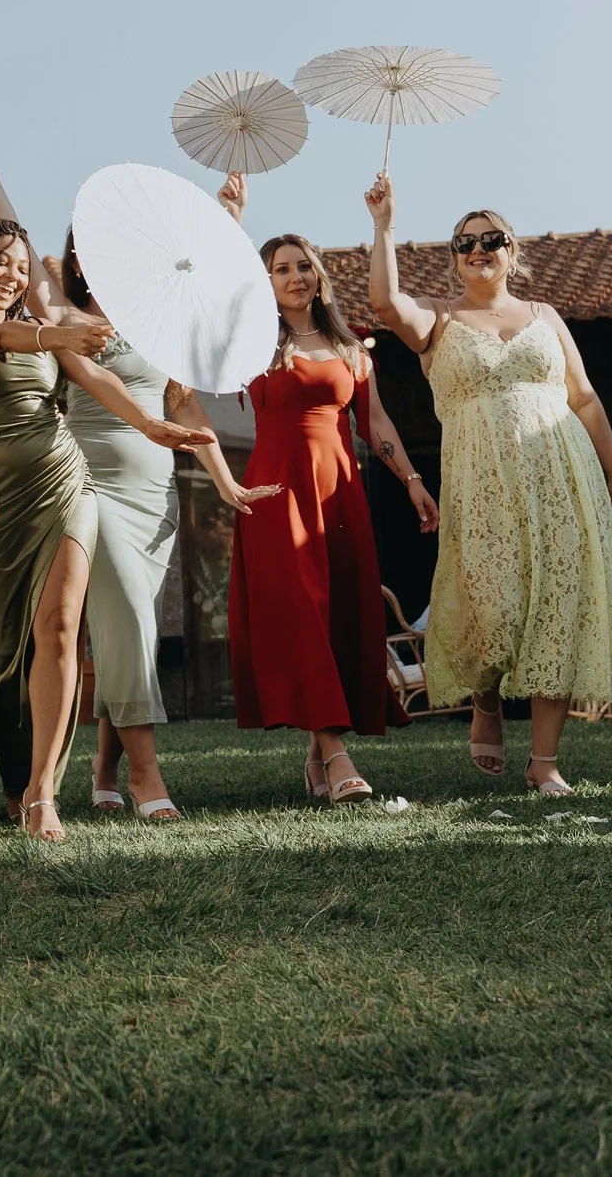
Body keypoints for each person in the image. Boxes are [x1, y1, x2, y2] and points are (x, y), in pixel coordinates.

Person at [0, 134, 215, 837]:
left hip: (77, 482)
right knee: (10, 649)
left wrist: (158, 428)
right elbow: (10, 329)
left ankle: (52, 789)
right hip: (1, 492)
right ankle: (41, 777)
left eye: (15, 263)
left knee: (76, 626)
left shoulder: (117, 323)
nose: (9, 272)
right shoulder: (38, 322)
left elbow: (111, 377)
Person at [366, 176, 612, 795]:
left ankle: (544, 762)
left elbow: (583, 397)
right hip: (482, 481)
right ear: (453, 256)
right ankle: (487, 701)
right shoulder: (439, 321)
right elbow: (386, 304)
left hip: (562, 474)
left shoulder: (545, 316)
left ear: (512, 250)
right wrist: (385, 224)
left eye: (491, 239)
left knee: (557, 604)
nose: (478, 249)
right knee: (491, 607)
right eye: (465, 242)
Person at [217, 174, 437, 804]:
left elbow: (375, 422)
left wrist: (413, 480)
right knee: (303, 611)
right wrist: (232, 222)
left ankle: (317, 759)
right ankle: (338, 758)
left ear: (318, 276)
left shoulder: (349, 347)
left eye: (304, 266)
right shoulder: (253, 342)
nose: (295, 277)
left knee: (337, 612)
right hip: (275, 492)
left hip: (341, 489)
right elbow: (218, 300)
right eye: (281, 268)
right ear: (264, 281)